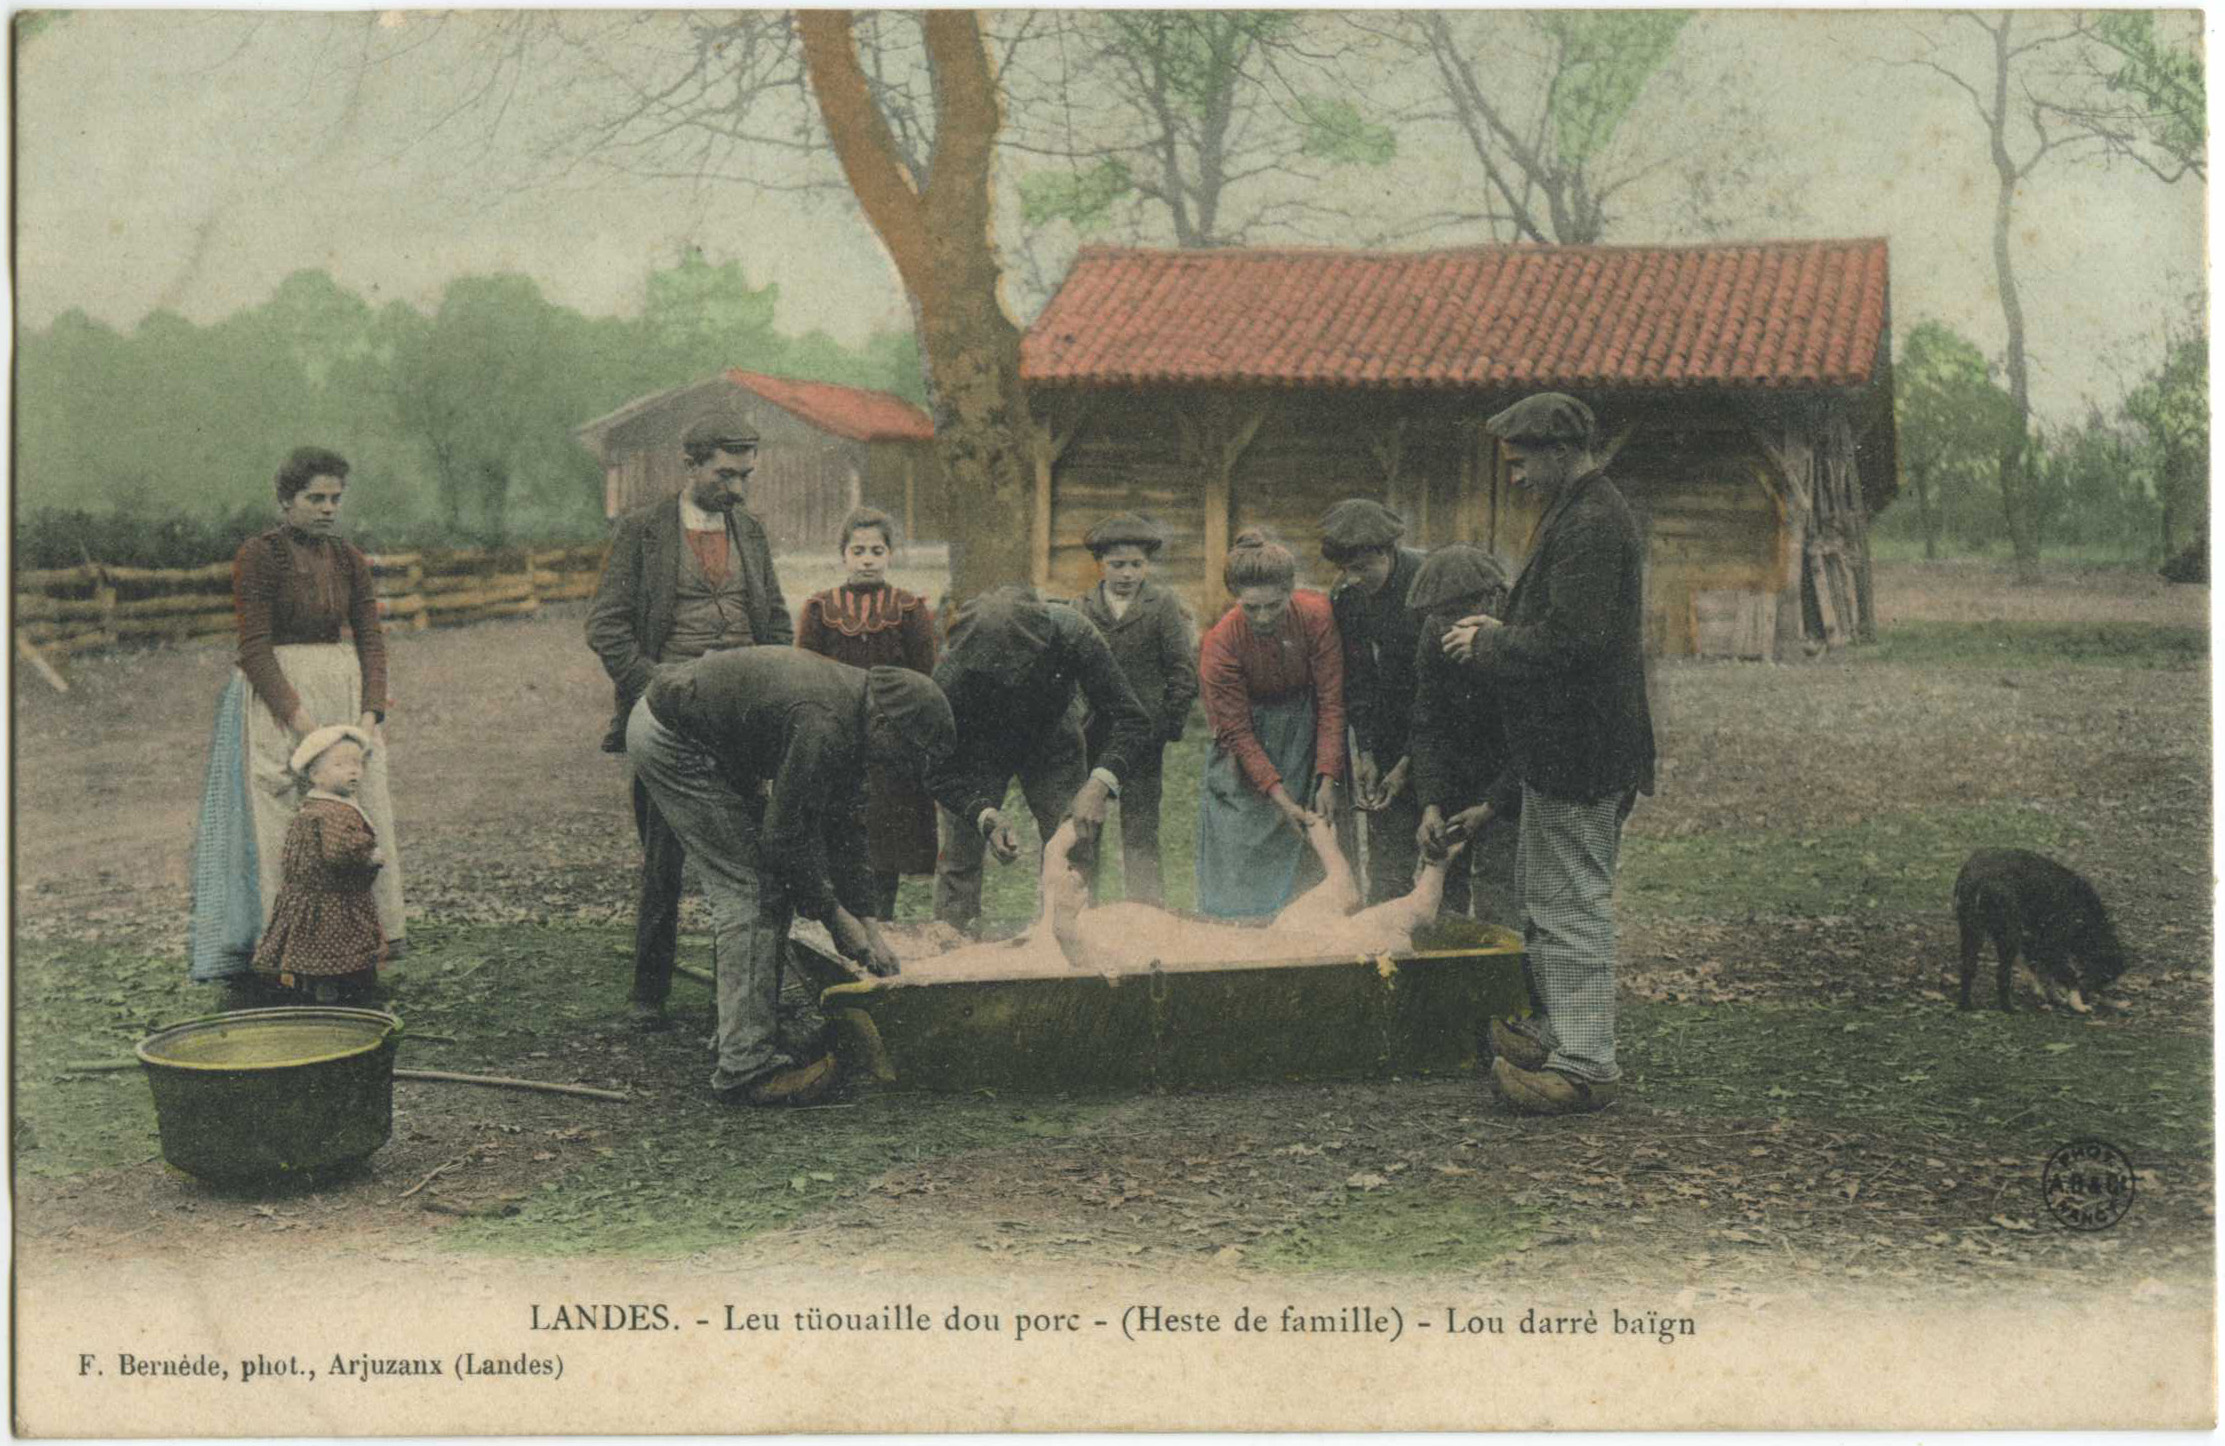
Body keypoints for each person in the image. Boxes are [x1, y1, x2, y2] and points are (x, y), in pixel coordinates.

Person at [1442, 392, 1656, 1116]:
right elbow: (1566, 624)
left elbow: (1577, 641)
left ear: (1561, 451)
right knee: (1550, 900)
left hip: (1581, 752)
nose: (1514, 476)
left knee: (1572, 909)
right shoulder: (1583, 511)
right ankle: (1561, 1034)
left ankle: (1586, 1063)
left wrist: (1490, 643)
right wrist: (1501, 624)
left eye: (1521, 461)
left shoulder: (1593, 523)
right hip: (1563, 749)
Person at [625, 648, 954, 1105]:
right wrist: (835, 918)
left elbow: (846, 825)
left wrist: (870, 928)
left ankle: (746, 1031)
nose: (900, 769)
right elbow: (783, 839)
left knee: (764, 886)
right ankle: (746, 1066)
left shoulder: (859, 711)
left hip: (703, 734)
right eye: (904, 754)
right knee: (751, 889)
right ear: (885, 726)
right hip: (673, 738)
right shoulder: (824, 724)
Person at [586, 408, 792, 1031]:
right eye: (726, 475)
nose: (737, 489)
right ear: (692, 465)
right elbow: (607, 627)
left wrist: (772, 685)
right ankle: (648, 996)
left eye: (746, 476)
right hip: (665, 721)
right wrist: (657, 691)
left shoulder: (750, 532)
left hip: (743, 720)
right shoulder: (643, 531)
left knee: (757, 855)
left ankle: (750, 997)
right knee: (662, 861)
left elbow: (777, 620)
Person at [189, 446, 405, 997]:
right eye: (315, 498)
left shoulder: (348, 558)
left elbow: (371, 639)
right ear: (286, 501)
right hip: (280, 698)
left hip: (342, 687)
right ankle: (287, 957)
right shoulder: (259, 556)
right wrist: (301, 722)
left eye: (335, 498)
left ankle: (356, 951)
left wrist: (370, 713)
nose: (328, 508)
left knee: (355, 814)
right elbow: (253, 646)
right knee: (285, 818)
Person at [927, 584, 1156, 934]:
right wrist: (983, 814)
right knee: (960, 857)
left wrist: (1099, 784)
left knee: (1073, 845)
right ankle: (951, 946)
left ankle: (1072, 942)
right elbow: (937, 768)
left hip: (1053, 740)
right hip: (979, 748)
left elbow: (1131, 718)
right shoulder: (951, 672)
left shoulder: (1074, 634)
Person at [795, 508, 940, 920]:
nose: (867, 559)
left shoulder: (910, 609)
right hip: (836, 737)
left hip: (892, 745)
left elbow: (925, 679)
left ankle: (882, 924)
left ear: (890, 555)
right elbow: (804, 673)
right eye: (857, 550)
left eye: (877, 550)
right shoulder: (821, 608)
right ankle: (840, 927)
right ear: (843, 555)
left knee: (885, 843)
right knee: (835, 830)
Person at [1195, 530, 1347, 919]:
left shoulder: (1317, 616)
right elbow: (1238, 733)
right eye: (1251, 607)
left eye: (1274, 605)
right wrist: (1278, 796)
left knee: (1308, 849)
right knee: (1239, 846)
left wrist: (1328, 776)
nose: (1262, 617)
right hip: (1247, 745)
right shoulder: (1220, 644)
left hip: (1305, 732)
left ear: (1291, 590)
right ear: (1236, 599)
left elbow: (1331, 700)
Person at [1070, 513, 1198, 907]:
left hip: (1143, 739)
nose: (1127, 574)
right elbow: (1070, 673)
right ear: (1100, 565)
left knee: (1141, 831)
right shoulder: (1082, 607)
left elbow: (1181, 670)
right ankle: (1082, 912)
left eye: (1136, 565)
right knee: (1085, 830)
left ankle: (1145, 917)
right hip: (1093, 734)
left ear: (1148, 566)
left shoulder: (1162, 606)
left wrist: (1167, 724)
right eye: (1117, 565)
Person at [1406, 544, 1521, 932]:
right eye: (1440, 619)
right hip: (1458, 774)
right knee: (1440, 892)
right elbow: (1428, 722)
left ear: (1492, 599)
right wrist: (1432, 805)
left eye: (1457, 616)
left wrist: (1492, 806)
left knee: (1499, 892)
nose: (1448, 629)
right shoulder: (1434, 634)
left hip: (1514, 779)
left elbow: (1535, 738)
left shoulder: (1521, 633)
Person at [1319, 498, 1427, 906]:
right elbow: (1358, 679)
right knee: (1387, 867)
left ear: (1388, 552)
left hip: (1441, 733)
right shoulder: (1348, 597)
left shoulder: (1426, 584)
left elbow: (1436, 692)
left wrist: (1408, 763)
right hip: (1385, 731)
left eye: (1363, 568)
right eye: (1345, 570)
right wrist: (1365, 749)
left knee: (1442, 868)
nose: (1353, 578)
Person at [251, 725, 387, 1003]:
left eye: (356, 764)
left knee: (315, 945)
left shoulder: (316, 805)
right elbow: (338, 852)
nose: (352, 772)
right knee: (333, 945)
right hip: (332, 895)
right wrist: (368, 855)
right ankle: (332, 993)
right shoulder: (332, 812)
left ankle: (317, 987)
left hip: (318, 893)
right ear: (315, 775)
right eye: (339, 765)